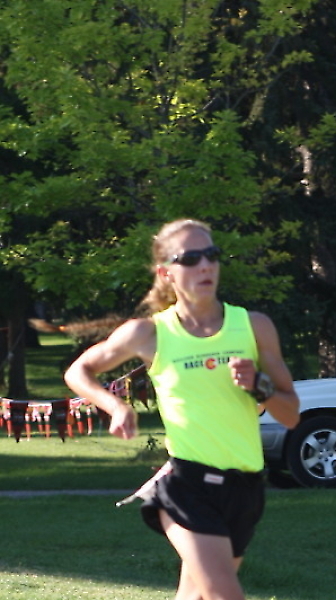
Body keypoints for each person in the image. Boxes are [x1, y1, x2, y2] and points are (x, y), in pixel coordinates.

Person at [64, 218, 300, 600]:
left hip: (245, 488)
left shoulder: (254, 327)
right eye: (190, 258)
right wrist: (115, 406)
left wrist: (260, 384)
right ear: (166, 273)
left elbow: (291, 415)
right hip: (188, 485)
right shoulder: (149, 333)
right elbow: (79, 371)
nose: (205, 265)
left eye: (211, 255)